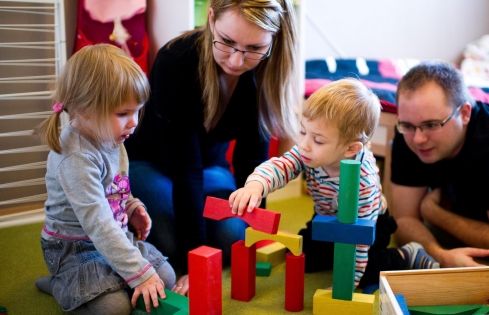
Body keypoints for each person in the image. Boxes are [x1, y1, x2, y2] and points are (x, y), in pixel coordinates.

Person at [124, 0, 300, 296]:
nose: (235, 61)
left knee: (234, 233)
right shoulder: (175, 59)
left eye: (253, 48)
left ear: (273, 40)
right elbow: (185, 169)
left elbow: (252, 162)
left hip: (211, 170)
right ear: (211, 19)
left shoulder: (266, 72)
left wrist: (257, 231)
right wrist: (197, 260)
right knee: (168, 239)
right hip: (152, 164)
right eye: (227, 42)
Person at [230, 78, 439, 288]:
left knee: (364, 271)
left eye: (318, 140)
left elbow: (358, 239)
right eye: (303, 131)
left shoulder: (363, 183)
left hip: (368, 224)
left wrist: (349, 281)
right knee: (304, 259)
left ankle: (406, 255)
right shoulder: (307, 151)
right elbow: (282, 166)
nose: (303, 144)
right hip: (326, 217)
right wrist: (255, 185)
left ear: (350, 149)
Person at [33, 44, 176, 315]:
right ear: (84, 109)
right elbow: (98, 223)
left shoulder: (113, 135)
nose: (133, 122)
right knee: (114, 308)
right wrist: (138, 274)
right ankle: (60, 282)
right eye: (123, 114)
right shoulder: (74, 156)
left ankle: (108, 280)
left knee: (166, 278)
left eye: (137, 111)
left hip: (112, 234)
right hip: (74, 248)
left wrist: (132, 207)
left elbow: (115, 189)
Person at [391, 60, 489, 268]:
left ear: (465, 113)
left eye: (432, 125)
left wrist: (433, 213)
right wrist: (439, 255)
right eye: (408, 125)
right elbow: (403, 220)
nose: (418, 139)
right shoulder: (409, 131)